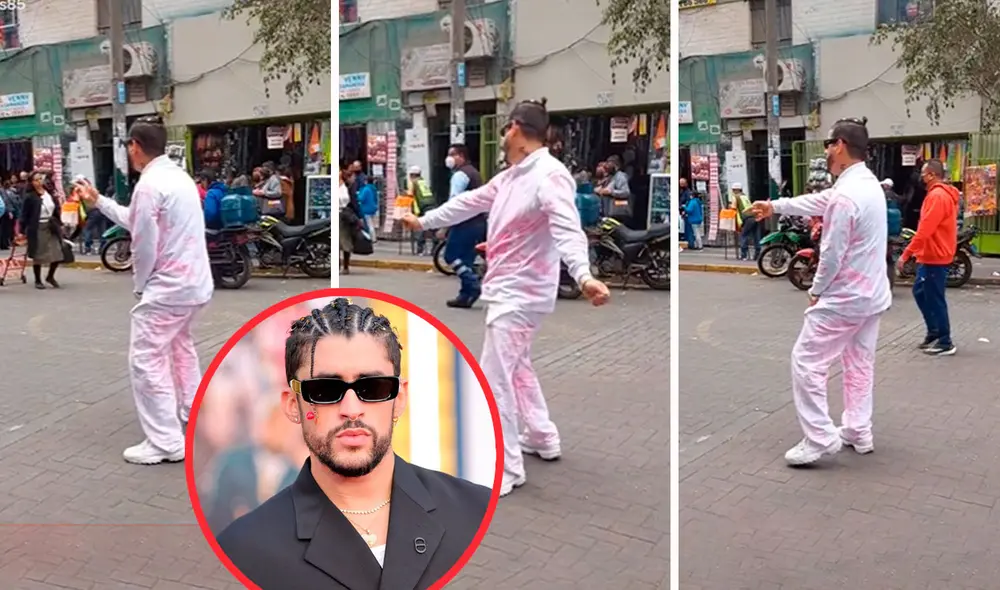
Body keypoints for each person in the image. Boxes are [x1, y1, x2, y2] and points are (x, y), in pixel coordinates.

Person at [401, 98, 611, 496]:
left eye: (503, 130)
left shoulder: (550, 175)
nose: (500, 138)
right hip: (508, 290)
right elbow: (469, 202)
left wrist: (584, 276)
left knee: (493, 379)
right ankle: (543, 436)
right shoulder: (513, 176)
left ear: (515, 128)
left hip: (521, 295)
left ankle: (506, 467)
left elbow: (568, 229)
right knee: (517, 368)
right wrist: (425, 221)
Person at [216, 299, 491, 588]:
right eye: (324, 390)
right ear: (292, 405)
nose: (351, 409)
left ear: (399, 398)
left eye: (372, 388)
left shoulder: (476, 511)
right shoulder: (243, 549)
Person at [748, 117, 890, 466]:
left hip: (845, 297)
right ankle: (858, 429)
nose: (826, 152)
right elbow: (821, 200)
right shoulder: (865, 185)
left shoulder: (847, 195)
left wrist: (817, 289)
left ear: (839, 145)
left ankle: (819, 437)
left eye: (828, 144)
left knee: (806, 361)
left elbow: (831, 252)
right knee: (859, 362)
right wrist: (776, 205)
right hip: (871, 296)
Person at [78, 116, 214, 465]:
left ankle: (166, 441)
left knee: (146, 360)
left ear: (135, 146)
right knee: (181, 349)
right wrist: (99, 202)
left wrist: (141, 286)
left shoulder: (151, 185)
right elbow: (137, 220)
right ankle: (194, 413)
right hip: (194, 285)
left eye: (128, 146)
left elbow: (143, 243)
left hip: (169, 289)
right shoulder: (176, 178)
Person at [899, 159, 958, 357]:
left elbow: (925, 229)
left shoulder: (938, 196)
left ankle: (945, 341)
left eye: (923, 173)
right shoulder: (937, 195)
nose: (920, 177)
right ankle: (934, 331)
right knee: (921, 292)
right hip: (931, 255)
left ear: (932, 175)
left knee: (934, 298)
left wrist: (906, 254)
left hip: (935, 256)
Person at [443, 144, 488, 308]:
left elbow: (454, 203)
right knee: (466, 259)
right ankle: (465, 295)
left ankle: (473, 282)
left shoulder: (460, 175)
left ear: (461, 156)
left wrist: (444, 225)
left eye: (452, 154)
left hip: (464, 222)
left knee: (450, 255)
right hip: (478, 222)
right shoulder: (474, 173)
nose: (448, 158)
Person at [18, 170, 65, 289]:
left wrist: (60, 222)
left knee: (57, 253)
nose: (39, 182)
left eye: (40, 179)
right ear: (31, 182)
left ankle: (50, 276)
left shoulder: (48, 193)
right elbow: (24, 215)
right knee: (38, 255)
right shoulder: (30, 197)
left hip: (50, 225)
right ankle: (37, 280)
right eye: (36, 180)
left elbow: (55, 209)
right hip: (37, 227)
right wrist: (21, 231)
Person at [732, 183, 759, 260]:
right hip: (754, 217)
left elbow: (733, 208)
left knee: (743, 235)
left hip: (747, 218)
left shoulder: (736, 197)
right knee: (756, 236)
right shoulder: (745, 196)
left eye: (733, 190)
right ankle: (757, 253)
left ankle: (744, 255)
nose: (733, 191)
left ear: (736, 190)